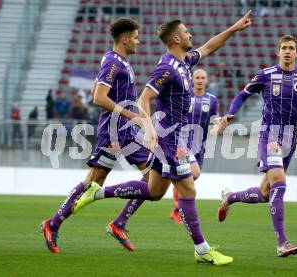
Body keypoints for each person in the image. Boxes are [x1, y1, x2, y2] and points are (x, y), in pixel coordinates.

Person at [73, 12, 252, 265]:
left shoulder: (185, 61)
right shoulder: (167, 67)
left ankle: (96, 193)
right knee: (188, 187)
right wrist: (148, 128)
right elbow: (143, 98)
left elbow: (211, 45)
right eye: (187, 31)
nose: (191, 34)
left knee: (155, 191)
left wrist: (234, 28)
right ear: (177, 39)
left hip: (174, 136)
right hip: (169, 138)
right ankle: (202, 250)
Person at [216, 35, 297, 257]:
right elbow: (243, 94)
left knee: (264, 193)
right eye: (284, 48)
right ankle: (282, 242)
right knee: (280, 184)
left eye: (291, 48)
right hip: (269, 135)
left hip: (290, 139)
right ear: (278, 52)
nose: (288, 51)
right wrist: (230, 113)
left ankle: (230, 197)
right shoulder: (266, 75)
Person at [40, 18, 150, 254]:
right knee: (104, 180)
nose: (138, 41)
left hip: (124, 131)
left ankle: (115, 223)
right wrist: (130, 115)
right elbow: (98, 97)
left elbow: (96, 89)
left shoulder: (119, 62)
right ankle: (55, 223)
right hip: (115, 131)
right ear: (125, 38)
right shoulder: (113, 61)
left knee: (147, 177)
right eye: (136, 37)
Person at [169, 68, 220, 224]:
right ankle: (179, 204)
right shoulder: (185, 96)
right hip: (182, 142)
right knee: (194, 173)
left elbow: (216, 118)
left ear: (206, 80)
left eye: (202, 77)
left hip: (199, 146)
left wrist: (216, 127)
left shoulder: (212, 100)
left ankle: (177, 208)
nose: (199, 80)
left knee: (191, 177)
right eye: (197, 77)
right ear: (192, 80)